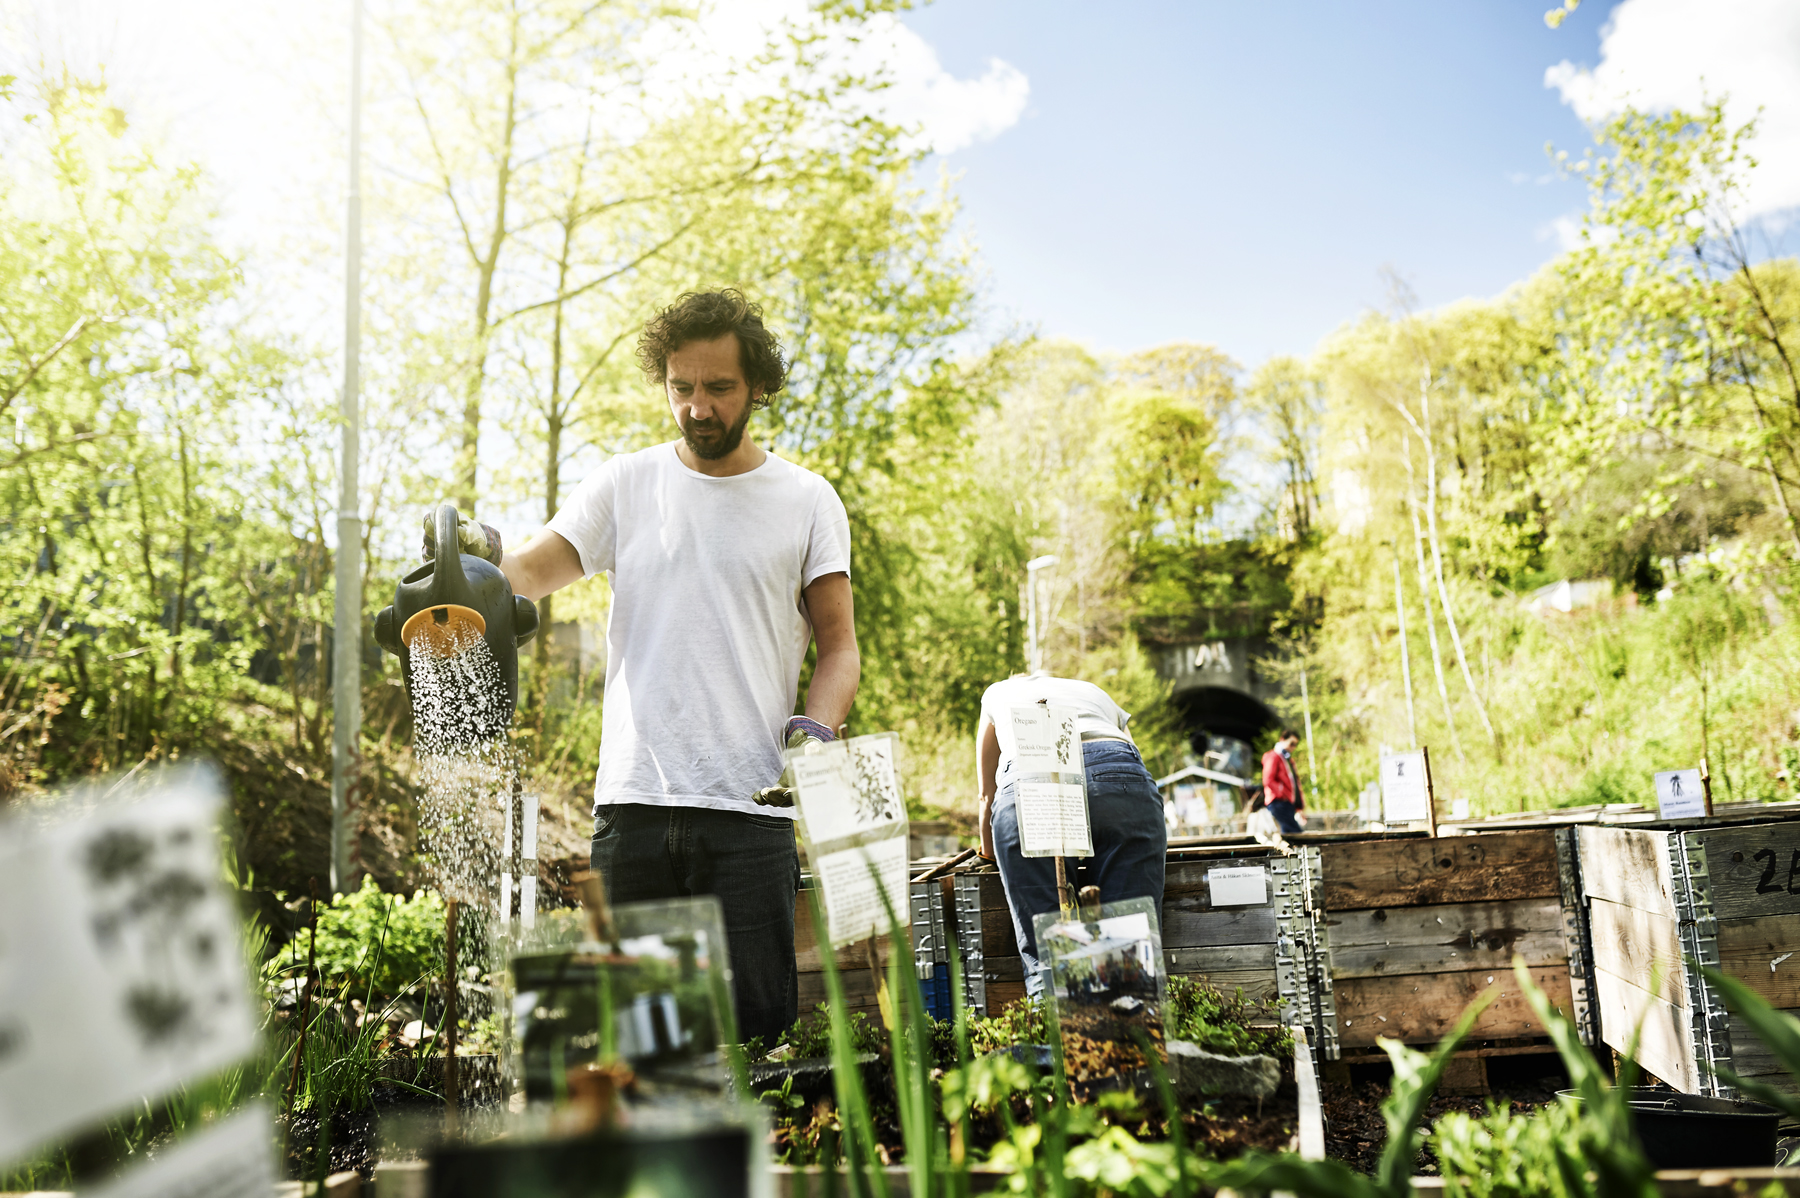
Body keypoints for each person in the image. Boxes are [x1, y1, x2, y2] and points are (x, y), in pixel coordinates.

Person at [431, 289, 860, 1045]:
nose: (698, 407)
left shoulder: (807, 499)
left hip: (750, 813)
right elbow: (527, 574)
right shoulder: (624, 484)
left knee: (758, 1043)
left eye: (719, 389)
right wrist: (471, 556)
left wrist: (812, 736)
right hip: (633, 809)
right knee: (644, 1048)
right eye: (681, 388)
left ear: (757, 386)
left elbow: (840, 647)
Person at [975, 673, 1166, 997]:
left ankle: (1061, 1038)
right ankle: (1132, 1038)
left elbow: (986, 796)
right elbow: (1130, 760)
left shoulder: (997, 692)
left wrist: (988, 850)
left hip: (1030, 780)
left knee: (1053, 954)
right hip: (1118, 775)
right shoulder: (1093, 691)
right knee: (1129, 950)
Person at [1260, 729, 1307, 835]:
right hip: (1278, 802)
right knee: (1295, 833)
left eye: (1296, 745)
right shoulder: (1274, 756)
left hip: (1287, 803)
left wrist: (1299, 807)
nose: (1293, 747)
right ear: (1282, 740)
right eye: (1291, 744)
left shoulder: (1288, 760)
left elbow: (1294, 784)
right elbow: (1268, 779)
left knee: (1288, 834)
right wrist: (1282, 792)